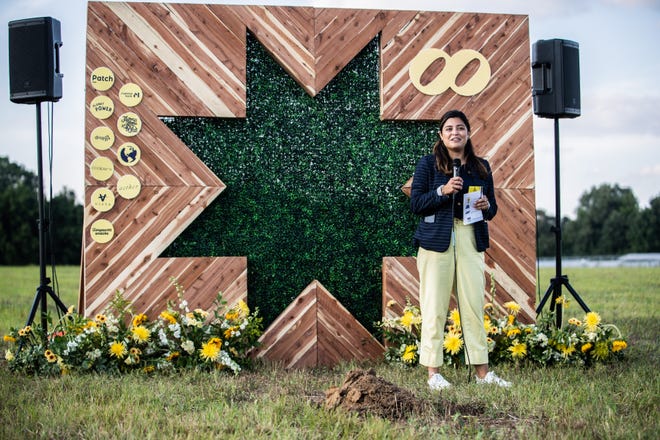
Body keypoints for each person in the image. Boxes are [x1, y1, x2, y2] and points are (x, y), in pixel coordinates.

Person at [410, 109, 511, 389]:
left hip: (469, 238)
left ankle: (483, 374)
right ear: (441, 136)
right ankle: (434, 374)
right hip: (436, 241)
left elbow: (491, 207)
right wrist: (442, 191)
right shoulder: (428, 164)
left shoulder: (481, 167)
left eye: (460, 128)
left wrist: (486, 206)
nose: (455, 133)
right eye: (449, 129)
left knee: (473, 306)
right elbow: (416, 203)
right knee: (434, 306)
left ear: (468, 133)